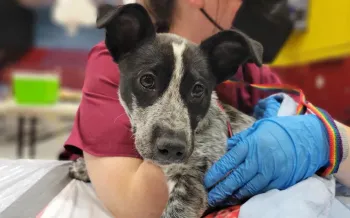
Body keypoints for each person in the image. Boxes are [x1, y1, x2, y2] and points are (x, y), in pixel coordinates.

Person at [59, 1, 350, 218]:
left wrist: (326, 138)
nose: (240, 4)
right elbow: (137, 205)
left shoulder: (247, 72)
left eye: (198, 89)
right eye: (148, 81)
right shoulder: (120, 61)